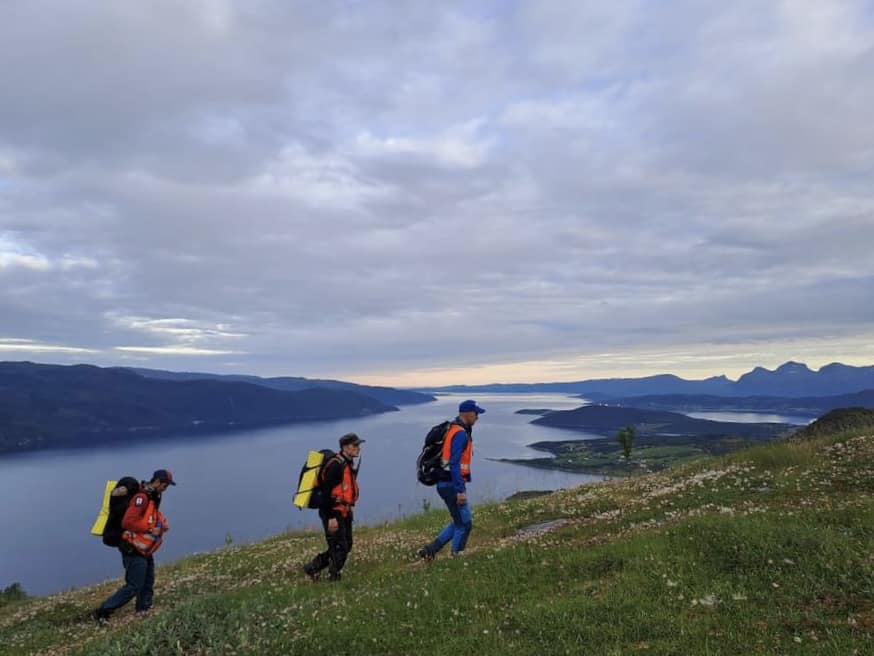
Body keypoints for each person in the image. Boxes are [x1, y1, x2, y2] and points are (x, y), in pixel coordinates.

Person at [94, 469, 175, 624]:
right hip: (131, 546)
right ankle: (104, 610)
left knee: (148, 579)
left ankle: (144, 609)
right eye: (165, 486)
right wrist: (151, 529)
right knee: (134, 585)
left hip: (142, 546)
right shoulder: (142, 497)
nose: (165, 489)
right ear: (157, 482)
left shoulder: (153, 495)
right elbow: (127, 522)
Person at [418, 399, 485, 561]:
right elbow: (454, 463)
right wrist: (460, 491)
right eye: (476, 414)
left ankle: (430, 550)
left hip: (446, 482)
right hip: (451, 484)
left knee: (458, 521)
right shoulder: (460, 433)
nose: (478, 417)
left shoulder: (453, 429)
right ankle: (457, 557)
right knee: (465, 524)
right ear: (468, 414)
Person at [303, 433, 364, 582]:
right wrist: (331, 518)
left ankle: (313, 567)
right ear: (345, 447)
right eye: (355, 445)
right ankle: (333, 576)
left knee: (346, 545)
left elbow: (347, 488)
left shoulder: (348, 463)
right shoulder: (336, 466)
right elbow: (326, 494)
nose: (358, 448)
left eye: (358, 445)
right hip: (333, 512)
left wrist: (350, 506)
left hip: (344, 510)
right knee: (340, 547)